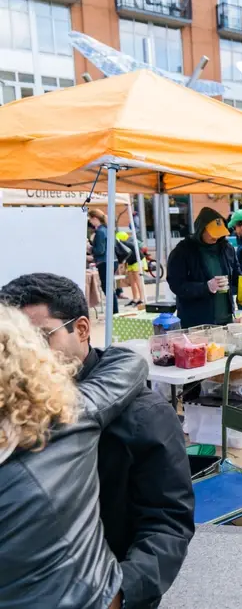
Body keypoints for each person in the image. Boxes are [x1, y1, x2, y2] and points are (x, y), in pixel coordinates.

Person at [1, 274, 195, 609]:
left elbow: (167, 520)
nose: (28, 356)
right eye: (17, 344)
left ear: (81, 329)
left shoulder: (143, 413)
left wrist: (123, 594)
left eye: (40, 338)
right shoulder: (12, 412)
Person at [167, 207, 239, 328]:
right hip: (197, 322)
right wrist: (205, 287)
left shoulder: (227, 248)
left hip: (225, 319)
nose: (216, 238)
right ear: (201, 230)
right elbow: (176, 284)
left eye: (219, 234)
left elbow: (237, 274)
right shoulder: (182, 251)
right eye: (212, 234)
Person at [88, 208, 119, 315]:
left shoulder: (100, 231)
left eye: (90, 219)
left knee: (107, 287)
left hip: (104, 262)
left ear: (95, 218)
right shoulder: (107, 229)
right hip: (112, 260)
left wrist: (90, 248)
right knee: (109, 287)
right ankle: (114, 311)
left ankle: (114, 312)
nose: (90, 222)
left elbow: (100, 250)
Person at [117, 231, 145, 308]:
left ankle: (142, 298)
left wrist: (123, 264)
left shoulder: (126, 244)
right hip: (131, 262)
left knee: (137, 280)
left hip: (137, 261)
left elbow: (127, 255)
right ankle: (135, 298)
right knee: (132, 281)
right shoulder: (125, 244)